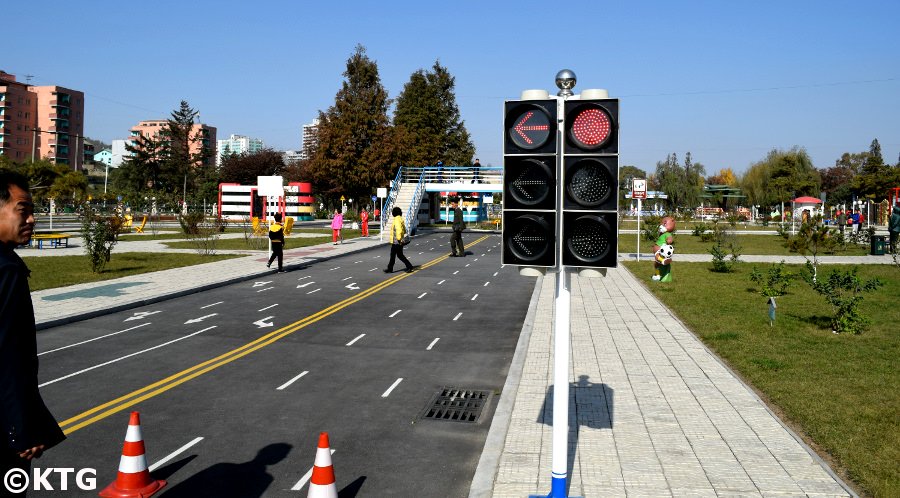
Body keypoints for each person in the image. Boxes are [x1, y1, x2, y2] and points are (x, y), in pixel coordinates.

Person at [1, 171, 66, 489]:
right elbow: (8, 356)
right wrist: (21, 427)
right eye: (22, 210)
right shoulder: (6, 271)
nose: (32, 219)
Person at [384, 206, 413, 274]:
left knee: (396, 255)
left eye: (393, 212)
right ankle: (390, 268)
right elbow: (404, 230)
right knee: (397, 255)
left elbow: (399, 230)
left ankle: (409, 266)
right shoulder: (400, 219)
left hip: (397, 241)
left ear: (394, 213)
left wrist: (399, 239)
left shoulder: (397, 220)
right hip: (398, 241)